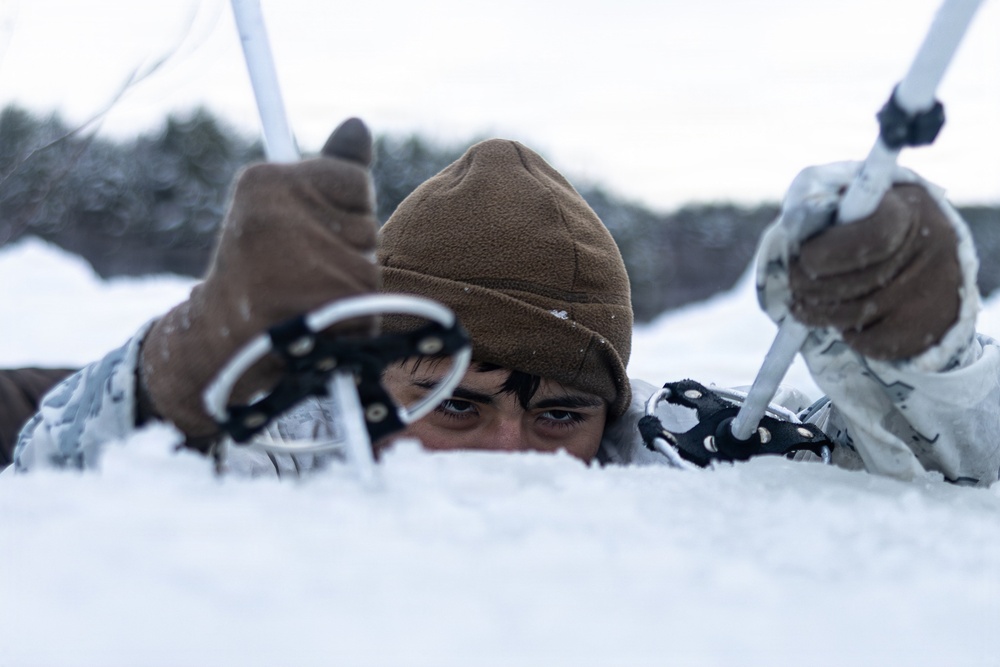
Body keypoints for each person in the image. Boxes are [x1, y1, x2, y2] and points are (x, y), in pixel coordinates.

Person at [11, 118, 1000, 485]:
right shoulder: (283, 435)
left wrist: (918, 348)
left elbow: (930, 464)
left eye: (560, 413)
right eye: (455, 402)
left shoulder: (681, 440)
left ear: (609, 410)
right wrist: (189, 364)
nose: (507, 457)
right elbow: (51, 472)